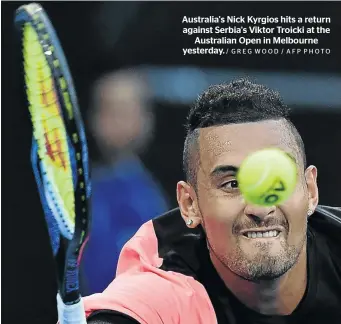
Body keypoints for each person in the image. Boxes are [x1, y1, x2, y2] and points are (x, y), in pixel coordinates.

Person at [83, 79, 341, 323]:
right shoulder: (167, 285)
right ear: (189, 204)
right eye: (232, 184)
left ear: (310, 191)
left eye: (277, 181)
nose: (261, 209)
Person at [80, 69, 169, 295]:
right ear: (93, 119)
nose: (118, 121)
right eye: (110, 111)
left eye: (127, 111)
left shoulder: (153, 194)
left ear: (147, 119)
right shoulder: (84, 190)